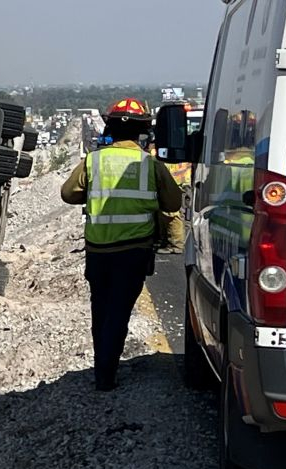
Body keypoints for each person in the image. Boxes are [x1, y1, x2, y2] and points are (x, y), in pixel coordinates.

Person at [61, 98, 183, 391]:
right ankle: (106, 372)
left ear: (109, 127)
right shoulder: (150, 165)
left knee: (100, 309)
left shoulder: (93, 160)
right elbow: (174, 202)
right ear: (143, 130)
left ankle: (102, 369)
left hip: (98, 251)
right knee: (119, 310)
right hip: (134, 251)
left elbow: (68, 194)